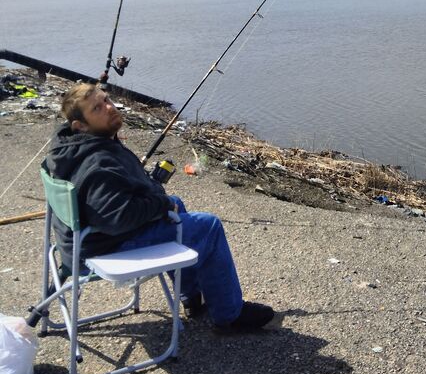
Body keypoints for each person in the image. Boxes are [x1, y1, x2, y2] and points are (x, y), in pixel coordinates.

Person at [42, 82, 274, 333]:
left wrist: (158, 199)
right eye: (97, 108)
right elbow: (115, 218)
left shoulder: (72, 147)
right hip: (103, 248)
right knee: (208, 226)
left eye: (107, 100)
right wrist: (160, 203)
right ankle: (230, 316)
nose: (109, 107)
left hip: (80, 242)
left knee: (178, 205)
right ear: (81, 125)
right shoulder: (98, 161)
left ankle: (190, 297)